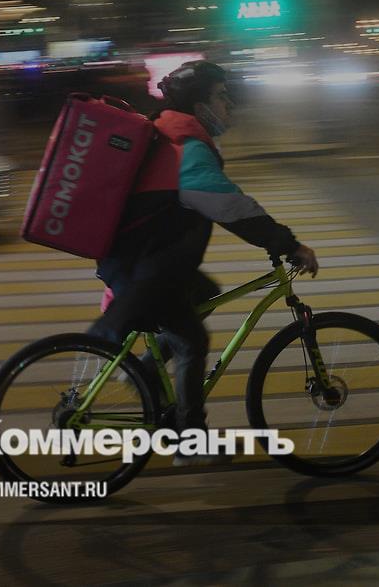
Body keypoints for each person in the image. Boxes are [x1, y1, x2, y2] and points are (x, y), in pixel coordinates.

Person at [88, 60, 319, 466]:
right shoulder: (186, 143)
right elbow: (228, 205)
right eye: (221, 96)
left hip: (145, 261)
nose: (229, 104)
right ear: (200, 104)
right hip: (143, 267)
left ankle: (144, 373)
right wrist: (288, 243)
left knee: (203, 293)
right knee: (192, 340)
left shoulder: (174, 132)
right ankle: (190, 441)